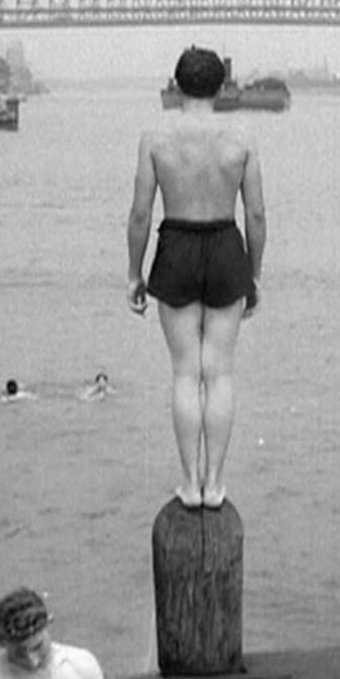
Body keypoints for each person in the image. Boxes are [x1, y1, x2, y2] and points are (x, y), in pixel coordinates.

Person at [126, 46, 267, 509]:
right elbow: (256, 215)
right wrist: (254, 275)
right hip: (225, 245)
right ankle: (215, 483)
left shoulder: (155, 138)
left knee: (186, 373)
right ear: (221, 86)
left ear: (177, 84)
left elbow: (141, 213)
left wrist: (134, 273)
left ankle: (189, 483)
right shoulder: (242, 138)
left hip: (177, 245)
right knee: (219, 373)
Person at [0, 588, 137, 679]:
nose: (33, 661)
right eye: (20, 653)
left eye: (38, 647)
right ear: (4, 645)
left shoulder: (82, 663)